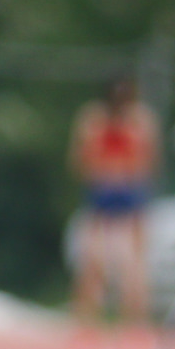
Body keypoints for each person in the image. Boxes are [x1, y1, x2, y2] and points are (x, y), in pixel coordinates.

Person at [69, 75, 158, 328]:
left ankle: (129, 316)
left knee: (130, 260)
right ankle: (92, 314)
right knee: (96, 257)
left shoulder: (133, 120)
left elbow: (147, 158)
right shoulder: (98, 119)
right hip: (111, 186)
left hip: (119, 186)